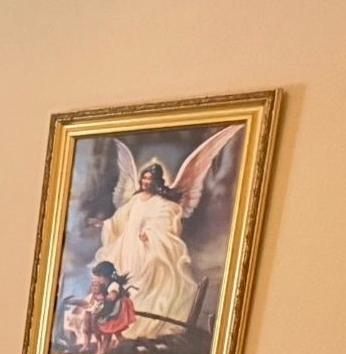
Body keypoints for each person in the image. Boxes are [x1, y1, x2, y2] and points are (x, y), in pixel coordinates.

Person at [89, 125, 242, 342]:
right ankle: (117, 323)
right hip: (126, 248)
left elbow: (169, 224)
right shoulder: (134, 199)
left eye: (149, 180)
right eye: (143, 179)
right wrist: (104, 224)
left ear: (157, 182)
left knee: (146, 282)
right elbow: (120, 220)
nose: (144, 183)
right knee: (122, 280)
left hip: (146, 248)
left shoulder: (163, 204)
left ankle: (140, 325)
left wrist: (150, 234)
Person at [63, 261, 138, 354]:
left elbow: (112, 297)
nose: (97, 279)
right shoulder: (104, 285)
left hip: (117, 308)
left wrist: (102, 298)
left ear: (106, 276)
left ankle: (103, 349)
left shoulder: (113, 285)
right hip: (108, 308)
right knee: (106, 324)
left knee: (108, 328)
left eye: (99, 276)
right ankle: (120, 340)